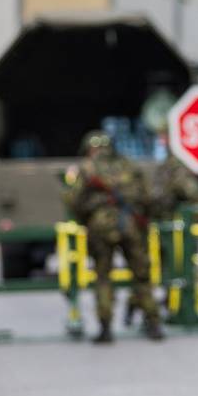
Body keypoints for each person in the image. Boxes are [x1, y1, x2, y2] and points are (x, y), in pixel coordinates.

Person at [67, 130, 163, 343]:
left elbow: (73, 201)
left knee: (102, 276)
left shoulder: (88, 168)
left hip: (100, 227)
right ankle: (154, 322)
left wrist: (87, 217)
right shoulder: (129, 165)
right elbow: (146, 198)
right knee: (141, 275)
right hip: (131, 225)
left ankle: (105, 328)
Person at [124, 143, 198, 326]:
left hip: (159, 227)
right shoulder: (177, 170)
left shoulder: (165, 169)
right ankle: (168, 310)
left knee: (151, 270)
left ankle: (140, 308)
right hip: (171, 231)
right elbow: (195, 195)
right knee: (175, 269)